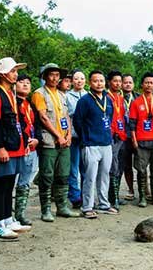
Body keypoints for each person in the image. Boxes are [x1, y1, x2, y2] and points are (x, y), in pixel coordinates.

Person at [0, 57, 33, 238]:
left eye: (16, 71)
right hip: (4, 148)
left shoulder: (11, 94)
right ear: (3, 74)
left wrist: (24, 141)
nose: (16, 74)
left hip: (15, 146)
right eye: (13, 71)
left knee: (10, 184)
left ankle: (8, 219)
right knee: (1, 185)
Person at [31, 63, 80, 221]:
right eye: (51, 75)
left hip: (64, 141)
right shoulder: (39, 94)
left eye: (57, 75)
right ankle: (46, 210)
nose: (54, 78)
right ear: (45, 76)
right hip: (49, 141)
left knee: (63, 175)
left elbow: (67, 116)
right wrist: (58, 136)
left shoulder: (62, 95)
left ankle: (62, 207)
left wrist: (69, 135)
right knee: (47, 176)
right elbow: (43, 117)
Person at [73, 70, 118, 218]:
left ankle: (104, 204)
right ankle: (87, 207)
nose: (99, 84)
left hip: (106, 143)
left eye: (101, 81)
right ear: (90, 83)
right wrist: (85, 138)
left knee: (104, 176)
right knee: (90, 177)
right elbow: (77, 121)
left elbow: (109, 118)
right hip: (90, 144)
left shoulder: (108, 100)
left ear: (105, 82)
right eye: (95, 81)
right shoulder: (84, 101)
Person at [129, 73, 153, 207]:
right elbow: (132, 123)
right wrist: (134, 140)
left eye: (151, 83)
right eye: (146, 82)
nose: (149, 85)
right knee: (141, 170)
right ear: (142, 84)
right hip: (141, 142)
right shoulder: (136, 102)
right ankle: (142, 197)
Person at [15, 74, 39, 226]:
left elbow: (36, 125)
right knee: (7, 184)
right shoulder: (12, 102)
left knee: (25, 182)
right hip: (16, 149)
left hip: (31, 148)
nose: (25, 85)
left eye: (28, 83)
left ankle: (20, 213)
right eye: (21, 82)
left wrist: (37, 140)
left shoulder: (30, 104)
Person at [64, 70, 87, 207]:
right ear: (72, 81)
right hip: (73, 135)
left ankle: (86, 195)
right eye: (76, 78)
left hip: (86, 137)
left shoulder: (89, 95)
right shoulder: (67, 96)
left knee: (86, 168)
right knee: (73, 168)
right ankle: (74, 196)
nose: (79, 81)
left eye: (82, 78)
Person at [105, 70, 127, 210]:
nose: (118, 84)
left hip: (121, 136)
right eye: (115, 81)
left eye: (120, 81)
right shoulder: (106, 97)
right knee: (112, 167)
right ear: (109, 82)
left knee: (120, 166)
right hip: (111, 136)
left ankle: (116, 195)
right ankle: (112, 198)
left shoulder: (120, 98)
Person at [120, 73, 139, 202]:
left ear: (133, 84)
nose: (128, 85)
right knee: (127, 165)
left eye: (130, 82)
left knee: (141, 165)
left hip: (137, 135)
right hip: (123, 136)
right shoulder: (117, 97)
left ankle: (145, 191)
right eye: (125, 82)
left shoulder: (138, 97)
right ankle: (131, 190)